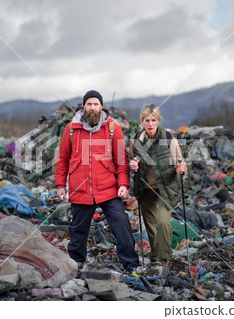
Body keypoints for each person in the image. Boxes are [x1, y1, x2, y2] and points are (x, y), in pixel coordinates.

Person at [55, 90, 139, 272]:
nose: (92, 107)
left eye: (96, 104)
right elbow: (62, 159)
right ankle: (76, 264)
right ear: (84, 107)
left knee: (121, 223)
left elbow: (121, 160)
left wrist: (123, 184)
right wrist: (60, 185)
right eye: (89, 104)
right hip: (80, 188)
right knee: (78, 230)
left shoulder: (112, 128)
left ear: (102, 107)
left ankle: (131, 265)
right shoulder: (71, 129)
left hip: (108, 188)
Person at [129, 104, 186, 267]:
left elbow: (181, 163)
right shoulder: (136, 140)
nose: (150, 123)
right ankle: (156, 257)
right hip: (145, 188)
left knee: (162, 222)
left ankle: (164, 258)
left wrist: (182, 169)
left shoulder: (169, 139)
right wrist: (132, 165)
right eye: (147, 120)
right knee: (151, 225)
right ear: (142, 122)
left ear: (158, 121)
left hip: (166, 187)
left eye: (153, 120)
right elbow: (131, 160)